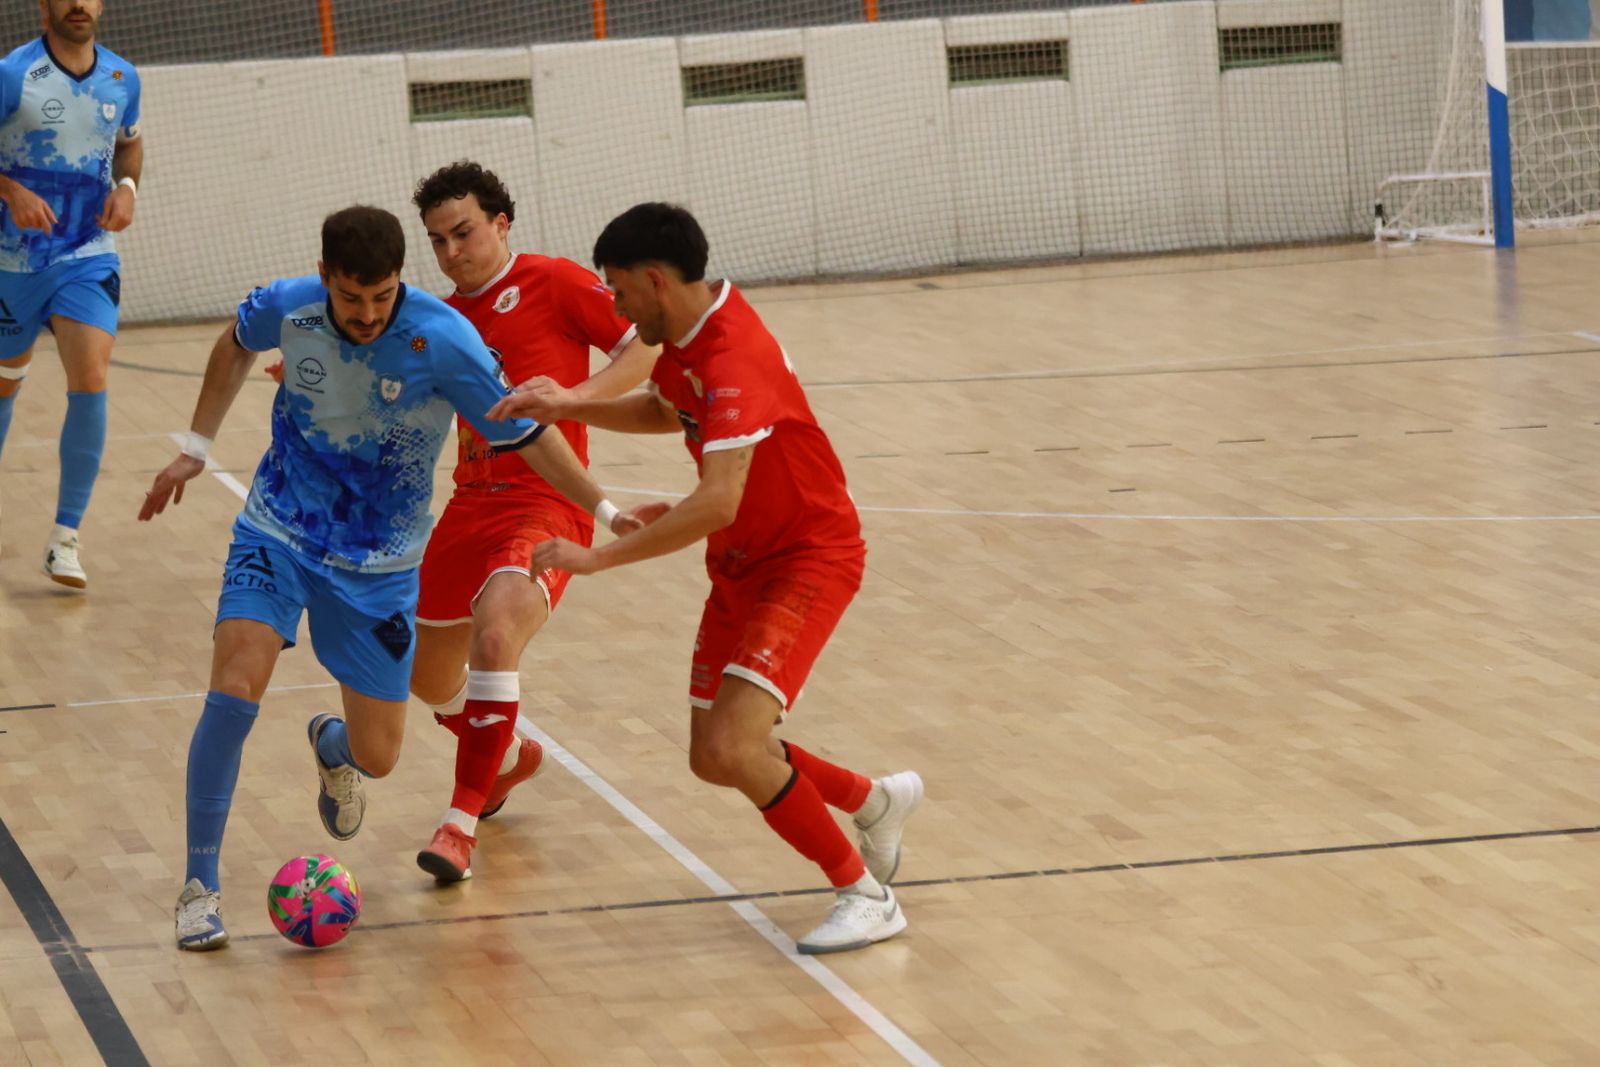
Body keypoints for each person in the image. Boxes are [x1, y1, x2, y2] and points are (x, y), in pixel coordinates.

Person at [139, 205, 632, 951]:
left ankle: (333, 747)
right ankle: (199, 886)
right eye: (350, 298)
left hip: (379, 568)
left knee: (381, 755)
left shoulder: (444, 340)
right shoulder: (289, 306)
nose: (367, 315)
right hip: (277, 530)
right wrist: (196, 445)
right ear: (326, 278)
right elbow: (234, 344)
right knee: (237, 681)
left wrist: (605, 506)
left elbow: (527, 432)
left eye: (381, 298)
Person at [491, 202, 923, 955]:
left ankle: (864, 891)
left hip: (807, 558)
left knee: (732, 745)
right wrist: (571, 401)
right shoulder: (689, 334)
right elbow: (666, 408)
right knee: (712, 751)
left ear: (655, 281)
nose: (616, 308)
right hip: (739, 559)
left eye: (620, 291)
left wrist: (596, 556)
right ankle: (873, 799)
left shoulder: (732, 355)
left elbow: (717, 495)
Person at [406, 161, 657, 883]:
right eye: (439, 241)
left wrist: (575, 400)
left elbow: (642, 345)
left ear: (501, 223)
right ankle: (510, 756)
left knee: (497, 631)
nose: (453, 252)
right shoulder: (439, 318)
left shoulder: (554, 280)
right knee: (423, 675)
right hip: (468, 503)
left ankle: (458, 824)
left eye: (464, 232)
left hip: (547, 499)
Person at [0, 0, 142, 587]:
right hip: (12, 261)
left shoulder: (122, 77)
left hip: (87, 254)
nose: (79, 4)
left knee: (91, 374)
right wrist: (10, 190)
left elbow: (130, 144)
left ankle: (65, 536)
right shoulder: (12, 74)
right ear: (46, 6)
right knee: (5, 381)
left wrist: (128, 185)